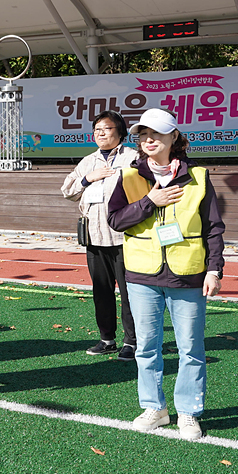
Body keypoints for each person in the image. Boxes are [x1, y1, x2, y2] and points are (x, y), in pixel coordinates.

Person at [107, 108, 225, 440]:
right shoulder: (128, 176)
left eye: (156, 134)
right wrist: (150, 201)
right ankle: (155, 408)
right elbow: (115, 220)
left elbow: (213, 228)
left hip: (187, 273)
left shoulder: (198, 176)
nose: (149, 140)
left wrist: (214, 269)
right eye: (143, 134)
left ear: (174, 137)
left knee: (191, 347)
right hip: (142, 274)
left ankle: (188, 413)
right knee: (146, 346)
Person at [61, 111, 138, 359]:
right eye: (97, 130)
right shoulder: (88, 161)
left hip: (125, 238)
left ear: (121, 132)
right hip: (94, 238)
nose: (100, 133)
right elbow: (67, 190)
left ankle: (132, 342)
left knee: (129, 293)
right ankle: (107, 339)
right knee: (101, 291)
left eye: (106, 129)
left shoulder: (134, 158)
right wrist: (87, 178)